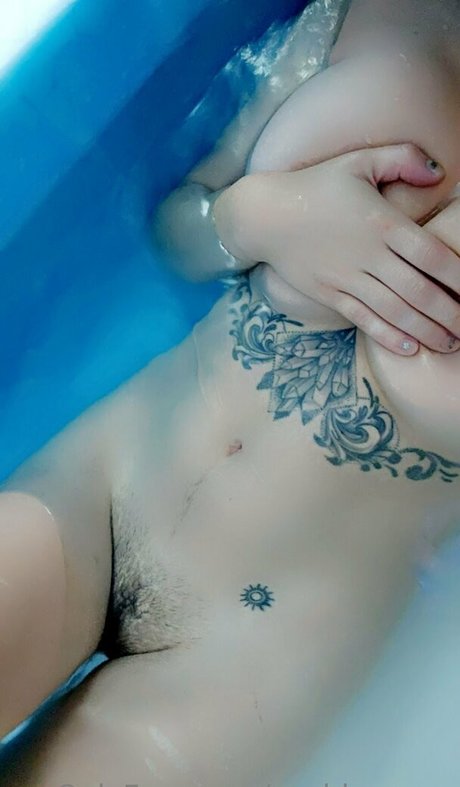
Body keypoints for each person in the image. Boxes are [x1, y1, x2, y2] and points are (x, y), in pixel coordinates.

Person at [2, 0, 460, 783]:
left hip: (263, 653)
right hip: (107, 487)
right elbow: (181, 228)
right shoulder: (356, 11)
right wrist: (257, 217)